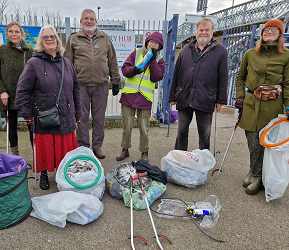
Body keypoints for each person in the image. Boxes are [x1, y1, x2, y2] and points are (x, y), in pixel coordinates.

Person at [15, 25, 82, 190]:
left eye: (52, 36)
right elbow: (22, 91)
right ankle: (44, 174)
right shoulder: (33, 63)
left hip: (66, 116)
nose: (50, 39)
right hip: (45, 117)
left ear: (57, 40)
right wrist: (27, 114)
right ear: (41, 41)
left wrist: (78, 112)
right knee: (45, 150)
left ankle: (65, 173)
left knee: (66, 151)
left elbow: (76, 88)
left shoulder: (67, 62)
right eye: (46, 37)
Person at [235, 19, 289, 195]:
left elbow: (288, 83)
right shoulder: (250, 53)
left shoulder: (286, 56)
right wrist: (240, 97)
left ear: (280, 34)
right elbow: (240, 77)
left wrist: (287, 106)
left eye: (274, 29)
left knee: (267, 143)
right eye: (266, 29)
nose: (270, 31)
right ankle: (254, 171)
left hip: (273, 107)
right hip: (251, 104)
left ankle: (260, 177)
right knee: (253, 142)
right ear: (262, 33)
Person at [64, 8, 120, 160]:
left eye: (92, 19)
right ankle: (83, 148)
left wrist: (115, 81)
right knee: (81, 118)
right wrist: (67, 84)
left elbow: (112, 61)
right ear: (81, 21)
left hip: (101, 86)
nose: (89, 21)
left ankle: (97, 147)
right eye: (86, 18)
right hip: (80, 86)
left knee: (99, 119)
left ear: (96, 21)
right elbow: (67, 63)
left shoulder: (105, 38)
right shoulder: (74, 39)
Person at [168, 18, 228, 151]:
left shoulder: (221, 51)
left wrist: (220, 100)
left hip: (206, 97)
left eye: (207, 30)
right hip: (185, 95)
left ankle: (203, 162)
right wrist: (172, 96)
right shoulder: (185, 50)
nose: (203, 33)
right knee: (182, 132)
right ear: (197, 31)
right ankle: (180, 158)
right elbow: (176, 74)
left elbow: (223, 77)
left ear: (212, 31)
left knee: (204, 133)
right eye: (201, 30)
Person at [116, 32, 165, 162]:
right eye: (151, 42)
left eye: (156, 44)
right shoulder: (136, 53)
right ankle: (124, 150)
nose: (153, 45)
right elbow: (125, 69)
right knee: (127, 125)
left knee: (144, 128)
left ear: (159, 47)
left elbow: (157, 77)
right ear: (147, 42)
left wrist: (153, 61)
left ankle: (144, 152)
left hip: (144, 98)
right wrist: (133, 70)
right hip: (129, 96)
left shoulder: (160, 60)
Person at [0, 22, 34, 156]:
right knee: (12, 128)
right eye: (11, 31)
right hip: (8, 97)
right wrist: (2, 91)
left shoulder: (31, 52)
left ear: (22, 34)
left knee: (32, 128)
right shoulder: (0, 51)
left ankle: (37, 154)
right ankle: (15, 156)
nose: (14, 34)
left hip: (28, 98)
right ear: (6, 34)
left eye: (17, 31)